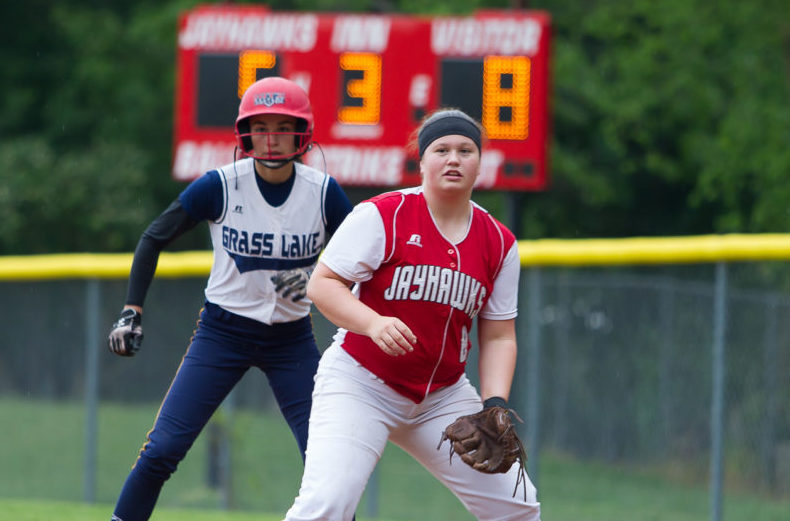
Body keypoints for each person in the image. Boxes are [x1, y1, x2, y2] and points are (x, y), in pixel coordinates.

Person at [106, 76, 352, 521]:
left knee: (330, 467)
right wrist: (131, 310)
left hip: (291, 340)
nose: (272, 138)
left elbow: (363, 258)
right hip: (223, 332)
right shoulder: (221, 184)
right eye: (261, 127)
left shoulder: (323, 192)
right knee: (162, 450)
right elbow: (153, 237)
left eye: (284, 126)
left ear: (304, 133)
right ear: (245, 133)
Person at [283, 108, 541, 520]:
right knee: (327, 505)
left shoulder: (499, 242)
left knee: (519, 508)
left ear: (481, 163)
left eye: (465, 150)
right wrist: (372, 322)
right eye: (441, 149)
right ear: (421, 161)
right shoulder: (384, 214)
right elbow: (323, 285)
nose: (453, 159)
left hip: (443, 396)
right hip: (361, 384)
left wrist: (494, 404)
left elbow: (498, 335)